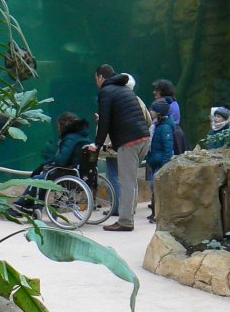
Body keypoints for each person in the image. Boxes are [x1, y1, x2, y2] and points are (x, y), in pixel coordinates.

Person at [88, 64, 150, 232]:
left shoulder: (106, 92)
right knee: (131, 181)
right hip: (144, 139)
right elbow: (125, 119)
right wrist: (114, 143)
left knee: (126, 182)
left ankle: (125, 221)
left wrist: (97, 144)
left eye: (96, 79)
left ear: (101, 77)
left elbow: (105, 121)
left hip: (131, 142)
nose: (96, 83)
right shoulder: (125, 90)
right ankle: (128, 215)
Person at [10, 113, 90, 216]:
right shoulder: (84, 138)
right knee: (42, 177)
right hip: (80, 173)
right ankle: (24, 204)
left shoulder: (70, 138)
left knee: (38, 180)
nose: (57, 129)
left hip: (67, 173)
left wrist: (50, 163)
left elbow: (61, 160)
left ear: (63, 125)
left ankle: (26, 206)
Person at [146, 98, 175, 223]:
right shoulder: (156, 125)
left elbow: (168, 148)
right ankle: (154, 212)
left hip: (160, 163)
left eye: (153, 109)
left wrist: (164, 164)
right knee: (154, 187)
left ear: (159, 112)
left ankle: (158, 214)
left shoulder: (165, 128)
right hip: (154, 161)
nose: (150, 111)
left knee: (156, 187)